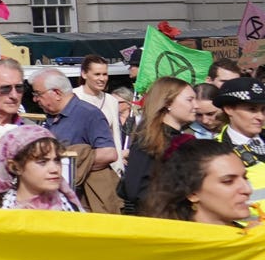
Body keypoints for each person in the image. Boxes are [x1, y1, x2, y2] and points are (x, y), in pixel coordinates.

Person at [115, 77, 203, 213]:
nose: (196, 106)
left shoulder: (182, 138)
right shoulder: (148, 139)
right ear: (168, 103)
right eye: (189, 100)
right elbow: (134, 188)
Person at [140, 137, 252, 227]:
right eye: (228, 181)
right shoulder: (171, 246)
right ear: (192, 193)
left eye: (245, 177)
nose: (247, 190)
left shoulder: (253, 239)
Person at [28, 65, 118, 164]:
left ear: (57, 93)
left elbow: (108, 153)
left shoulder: (89, 114)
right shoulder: (50, 116)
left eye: (38, 94)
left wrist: (69, 166)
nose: (35, 99)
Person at [0, 125, 83, 213]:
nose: (54, 169)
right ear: (16, 167)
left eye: (57, 160)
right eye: (42, 162)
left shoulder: (71, 210)